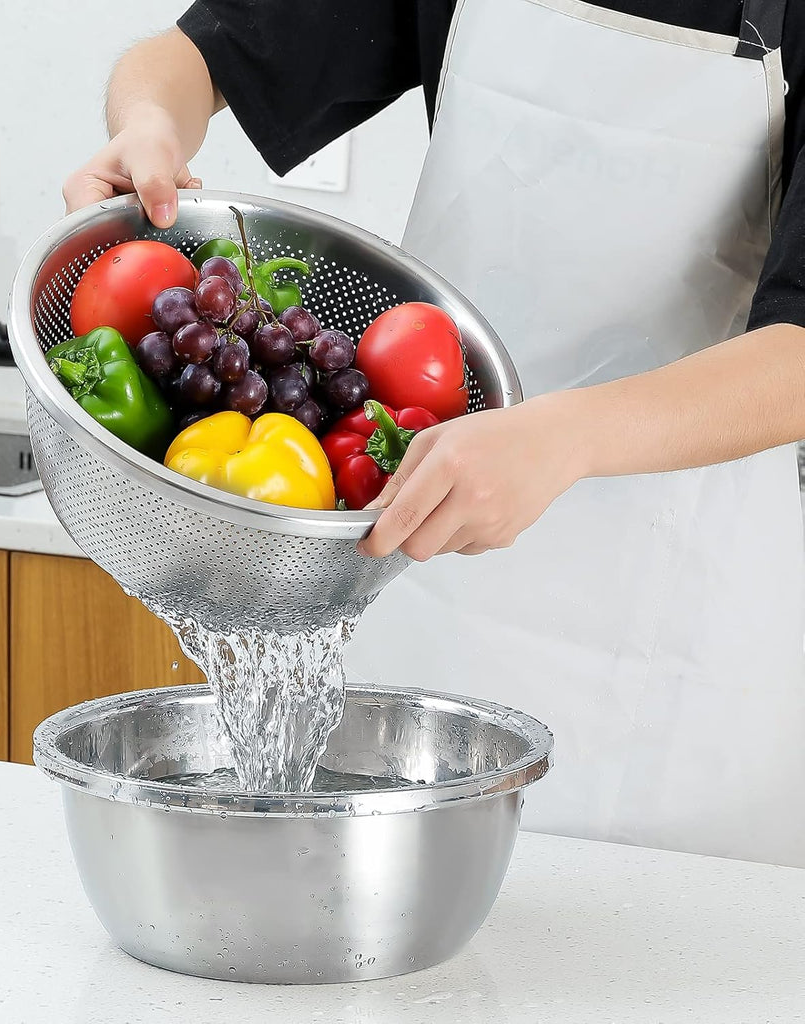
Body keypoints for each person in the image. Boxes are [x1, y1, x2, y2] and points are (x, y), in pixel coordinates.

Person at [64, 1, 805, 868]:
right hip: (427, 564)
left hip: (686, 627)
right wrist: (148, 125)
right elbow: (194, 55)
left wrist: (560, 435)